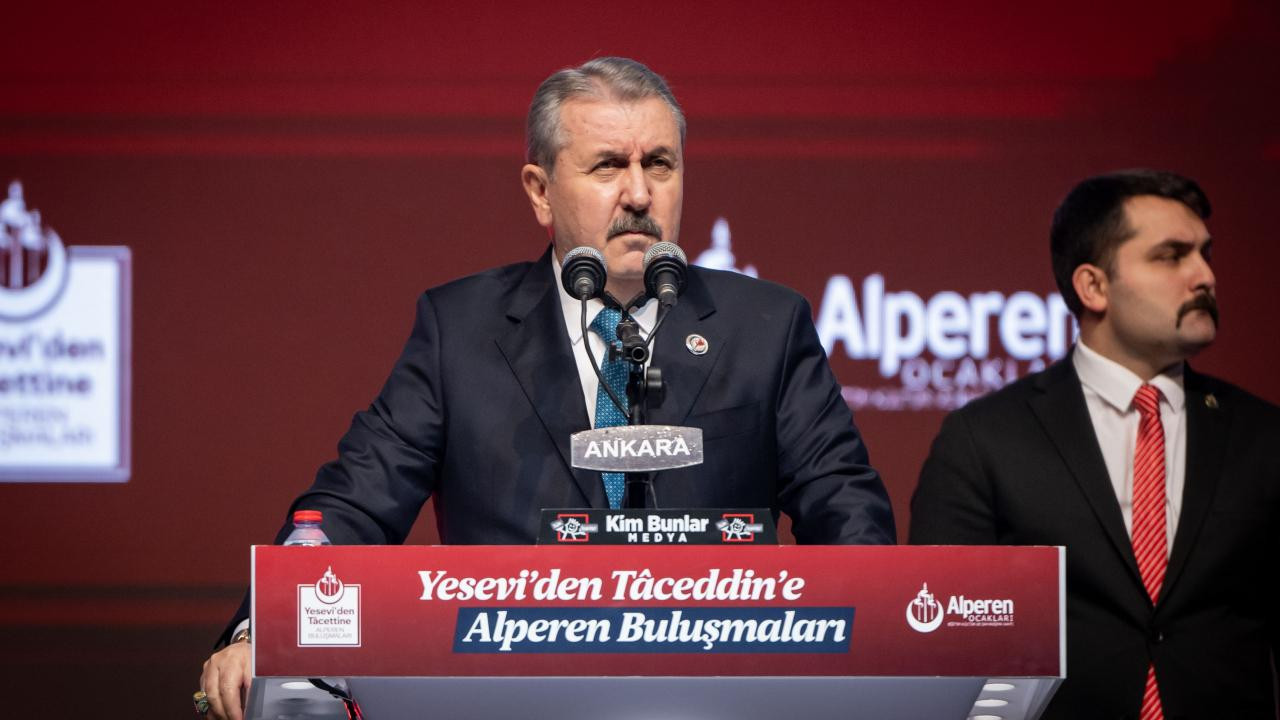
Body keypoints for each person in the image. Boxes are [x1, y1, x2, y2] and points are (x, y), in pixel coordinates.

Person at [197, 57, 895, 720]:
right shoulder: (460, 332)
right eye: (608, 166)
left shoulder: (764, 327)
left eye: (659, 164)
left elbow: (847, 511)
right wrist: (267, 629)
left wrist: (871, 640)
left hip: (715, 697)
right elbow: (355, 502)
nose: (639, 194)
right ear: (540, 191)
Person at [910, 169, 1279, 719]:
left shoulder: (1264, 437)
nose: (1204, 276)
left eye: (1205, 254)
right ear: (1093, 287)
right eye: (1171, 256)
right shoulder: (985, 439)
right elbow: (941, 644)